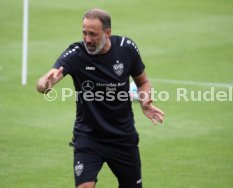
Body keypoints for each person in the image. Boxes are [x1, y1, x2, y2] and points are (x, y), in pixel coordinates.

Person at [36, 8, 164, 188]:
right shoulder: (76, 54)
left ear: (107, 33)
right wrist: (45, 83)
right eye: (84, 33)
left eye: (93, 34)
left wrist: (145, 101)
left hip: (122, 137)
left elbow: (143, 81)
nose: (87, 39)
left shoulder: (126, 48)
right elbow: (46, 81)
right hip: (88, 137)